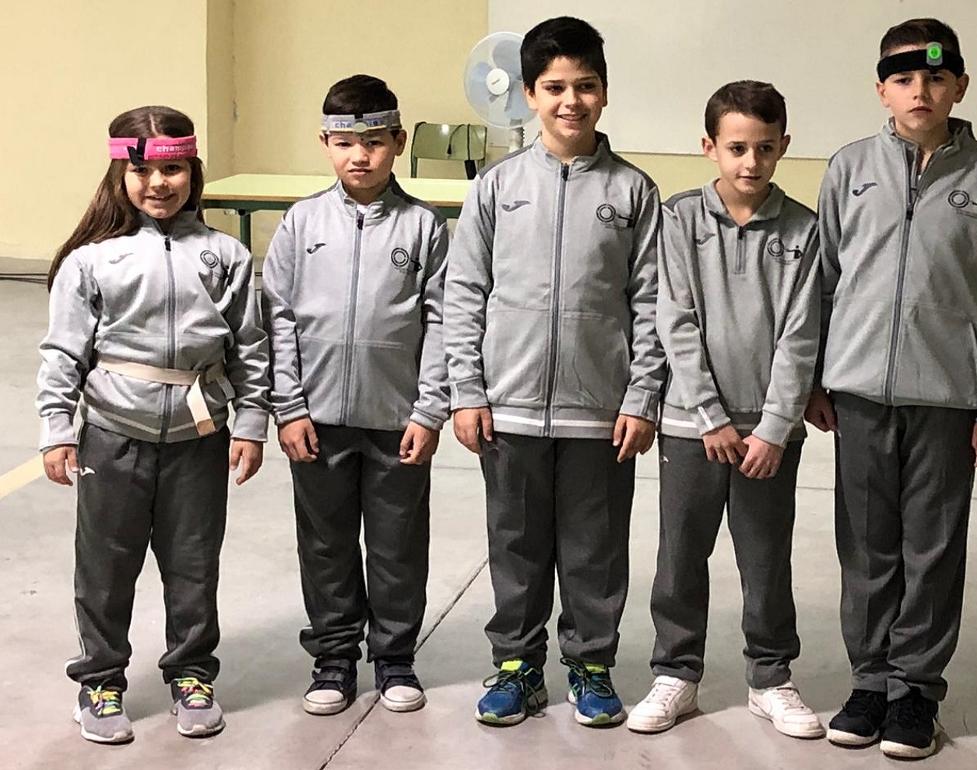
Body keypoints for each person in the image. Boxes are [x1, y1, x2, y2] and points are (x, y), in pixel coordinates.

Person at [807, 17, 977, 759]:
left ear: (960, 86)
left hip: (947, 399)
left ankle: (916, 692)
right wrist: (813, 377)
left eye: (936, 78)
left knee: (931, 549)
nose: (920, 91)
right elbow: (821, 282)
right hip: (859, 395)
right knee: (867, 548)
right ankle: (870, 682)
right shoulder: (849, 168)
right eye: (903, 78)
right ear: (882, 89)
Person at [443, 16, 665, 727]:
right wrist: (467, 391)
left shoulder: (634, 192)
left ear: (606, 91)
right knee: (515, 543)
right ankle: (516, 665)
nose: (572, 101)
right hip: (507, 405)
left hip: (600, 410)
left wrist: (641, 396)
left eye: (586, 86)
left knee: (595, 547)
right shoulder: (497, 187)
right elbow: (464, 292)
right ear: (530, 95)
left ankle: (591, 664)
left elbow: (653, 301)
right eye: (555, 87)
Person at [37, 105, 270, 743]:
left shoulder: (225, 255)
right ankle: (100, 680)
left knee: (194, 564)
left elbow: (249, 348)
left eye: (173, 170)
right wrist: (58, 427)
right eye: (142, 171)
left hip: (199, 439)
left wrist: (251, 422)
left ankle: (191, 674)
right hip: (113, 437)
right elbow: (63, 352)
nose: (158, 184)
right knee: (105, 567)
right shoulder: (92, 261)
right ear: (121, 173)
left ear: (193, 170)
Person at [627, 80, 822, 740]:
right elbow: (674, 319)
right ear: (709, 146)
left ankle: (771, 677)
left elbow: (801, 333)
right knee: (682, 552)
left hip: (769, 434)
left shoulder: (804, 230)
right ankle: (676, 672)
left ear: (783, 146)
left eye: (765, 148)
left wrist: (775, 426)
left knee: (766, 557)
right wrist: (708, 415)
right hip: (693, 427)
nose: (751, 162)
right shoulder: (678, 219)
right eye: (737, 148)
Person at [261, 74, 449, 716]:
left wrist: (429, 409)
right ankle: (334, 656)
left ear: (398, 141)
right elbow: (278, 316)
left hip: (398, 422)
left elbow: (442, 321)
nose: (359, 156)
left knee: (398, 545)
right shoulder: (301, 223)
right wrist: (288, 407)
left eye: (373, 142)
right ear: (325, 144)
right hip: (316, 421)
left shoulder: (424, 227)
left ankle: (395, 657)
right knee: (326, 543)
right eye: (344, 143)